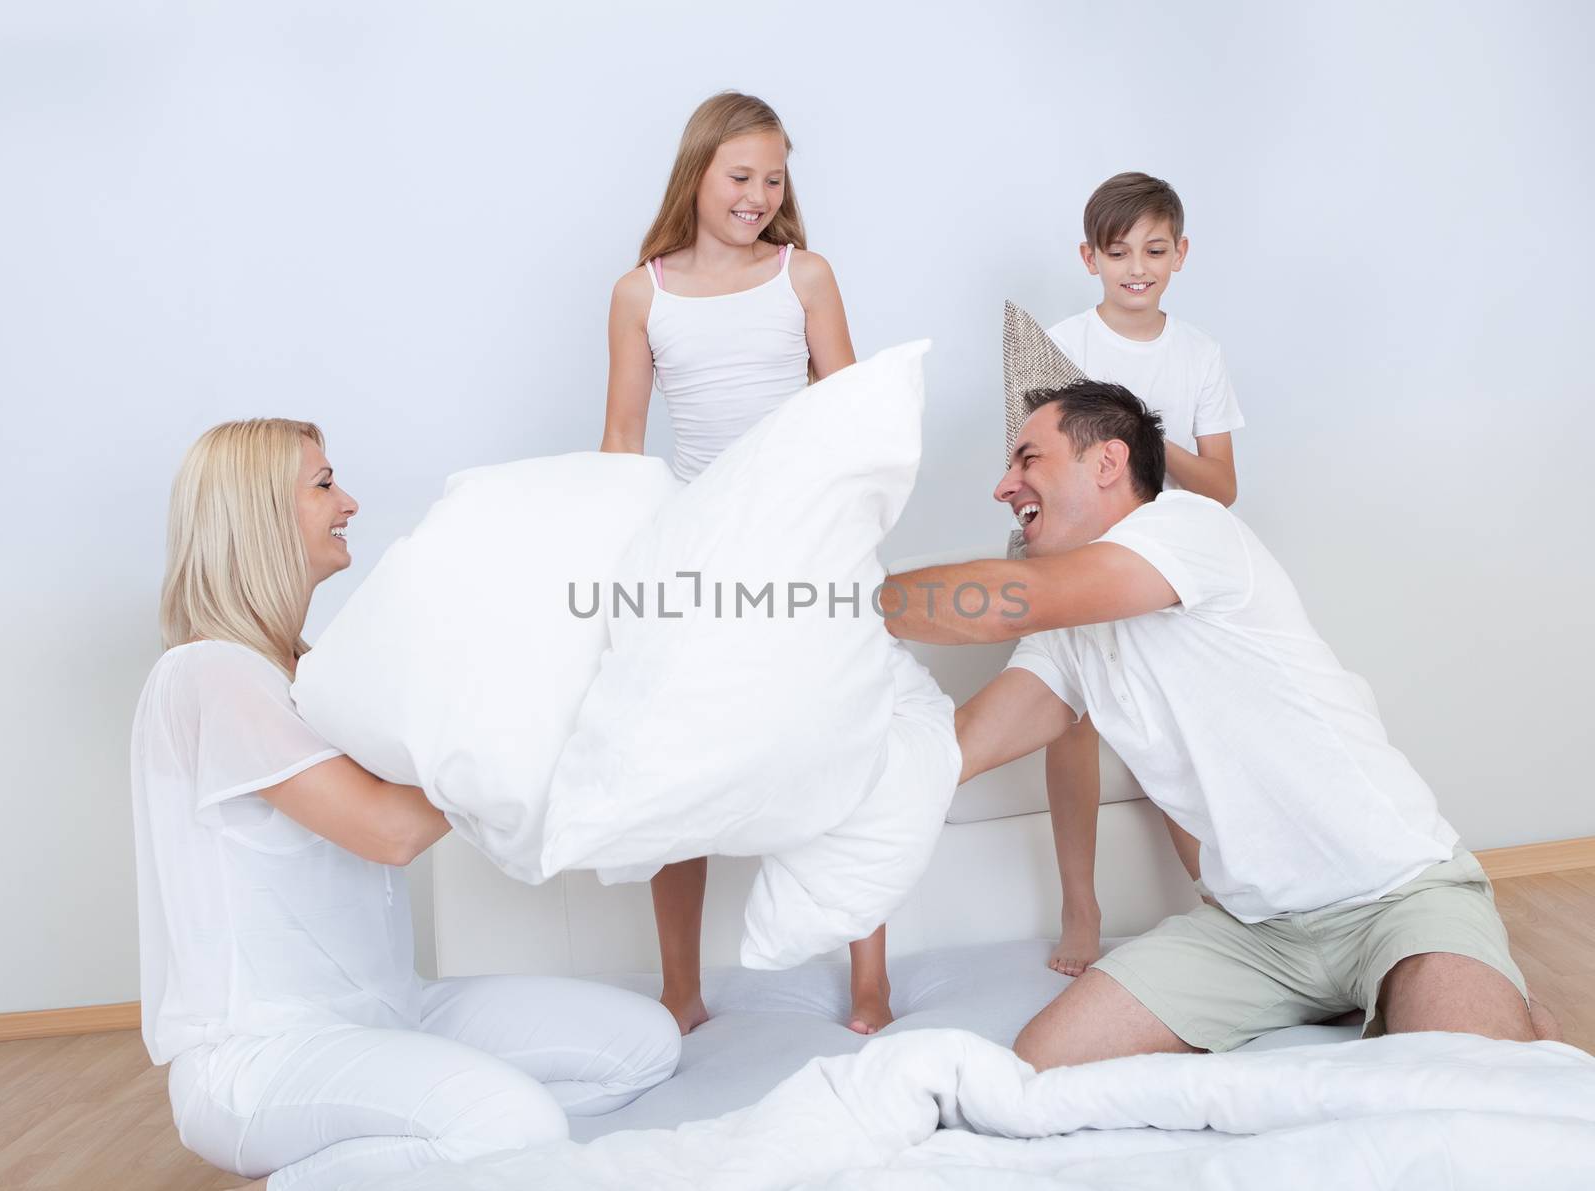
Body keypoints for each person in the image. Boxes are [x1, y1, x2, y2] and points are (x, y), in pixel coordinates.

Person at [881, 382, 1554, 1069]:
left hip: (1391, 895)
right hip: (1256, 934)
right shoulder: (1068, 637)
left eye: (1028, 459)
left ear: (1108, 462)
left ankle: (1489, 997)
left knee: (1479, 1078)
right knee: (1042, 1059)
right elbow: (958, 746)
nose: (1004, 485)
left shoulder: (1188, 528)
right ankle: (1357, 1000)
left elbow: (1008, 601)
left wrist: (843, 597)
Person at [132, 419, 680, 1191]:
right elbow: (386, 829)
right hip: (262, 1056)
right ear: (257, 511)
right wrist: (533, 720)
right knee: (514, 1123)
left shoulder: (312, 672)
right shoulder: (207, 675)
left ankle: (436, 1142)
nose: (348, 500)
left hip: (396, 1012)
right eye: (324, 484)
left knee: (646, 1043)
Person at [600, 91, 891, 1036]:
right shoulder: (641, 292)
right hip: (695, 551)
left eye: (774, 178)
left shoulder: (803, 276)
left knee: (840, 734)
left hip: (801, 540)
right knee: (678, 755)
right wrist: (615, 561)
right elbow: (622, 437)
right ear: (697, 174)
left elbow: (848, 417)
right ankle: (679, 988)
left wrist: (847, 534)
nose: (760, 195)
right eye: (741, 176)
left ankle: (870, 983)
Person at [1040, 172, 1245, 977]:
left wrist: (1147, 435)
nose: (1137, 267)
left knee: (1183, 717)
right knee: (1072, 719)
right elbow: (1038, 466)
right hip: (1084, 558)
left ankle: (1219, 892)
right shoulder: (1062, 342)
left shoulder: (1199, 354)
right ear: (1089, 256)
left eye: (1155, 250)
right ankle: (1080, 902)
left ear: (1181, 254)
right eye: (1119, 251)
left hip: (1174, 564)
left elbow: (1224, 486)